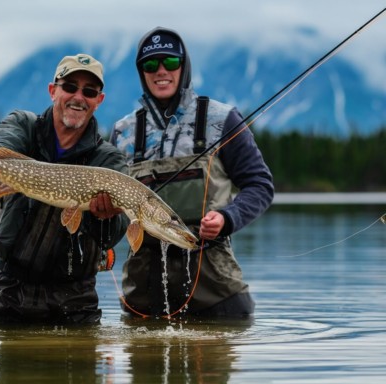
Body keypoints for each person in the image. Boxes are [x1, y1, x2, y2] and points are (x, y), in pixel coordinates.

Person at [110, 27, 274, 319]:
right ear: (141, 73)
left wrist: (228, 218)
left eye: (170, 62)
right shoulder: (122, 132)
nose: (161, 71)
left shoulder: (222, 119)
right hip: (144, 292)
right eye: (150, 65)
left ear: (183, 67)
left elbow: (260, 185)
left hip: (215, 286)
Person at [0, 53, 128, 326]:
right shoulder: (23, 125)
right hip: (10, 288)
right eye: (69, 87)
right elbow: (3, 142)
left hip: (75, 297)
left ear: (98, 101)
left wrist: (108, 216)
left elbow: (111, 236)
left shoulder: (109, 160)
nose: (79, 97)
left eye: (89, 91)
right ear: (53, 91)